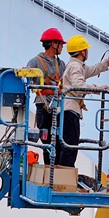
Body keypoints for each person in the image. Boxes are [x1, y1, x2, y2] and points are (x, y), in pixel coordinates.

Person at [58, 35, 109, 168]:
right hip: (70, 111)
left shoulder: (75, 65)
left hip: (67, 110)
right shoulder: (76, 67)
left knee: (67, 145)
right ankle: (65, 178)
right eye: (86, 50)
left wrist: (103, 66)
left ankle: (62, 177)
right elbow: (79, 85)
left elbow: (88, 70)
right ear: (82, 51)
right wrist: (99, 89)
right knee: (70, 146)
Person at [26, 28, 68, 164]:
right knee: (47, 142)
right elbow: (25, 79)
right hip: (43, 106)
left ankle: (57, 171)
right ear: (53, 44)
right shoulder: (35, 62)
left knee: (60, 141)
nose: (62, 47)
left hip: (59, 107)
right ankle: (49, 171)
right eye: (60, 44)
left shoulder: (61, 64)